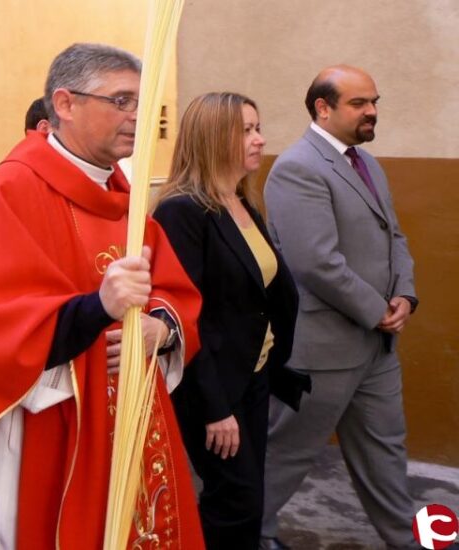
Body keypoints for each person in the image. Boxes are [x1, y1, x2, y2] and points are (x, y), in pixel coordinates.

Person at [0, 43, 205, 549]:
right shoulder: (10, 191)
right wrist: (98, 308)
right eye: (121, 101)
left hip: (131, 412)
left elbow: (172, 290)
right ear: (65, 104)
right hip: (54, 424)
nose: (136, 116)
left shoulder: (124, 197)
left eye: (142, 102)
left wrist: (160, 328)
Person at [261, 66, 418, 550]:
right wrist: (376, 309)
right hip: (321, 350)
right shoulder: (297, 167)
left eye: (374, 101)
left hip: (376, 348)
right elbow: (315, 263)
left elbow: (394, 236)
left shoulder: (367, 164)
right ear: (322, 108)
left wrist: (406, 296)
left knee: (386, 454)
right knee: (284, 455)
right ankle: (244, 534)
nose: (371, 111)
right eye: (358, 103)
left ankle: (414, 540)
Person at [152, 93, 309, 549]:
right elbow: (186, 316)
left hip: (252, 376)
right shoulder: (182, 211)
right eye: (246, 130)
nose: (260, 139)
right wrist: (215, 409)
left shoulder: (241, 201)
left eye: (258, 127)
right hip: (214, 389)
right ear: (213, 138)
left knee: (246, 499)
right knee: (234, 503)